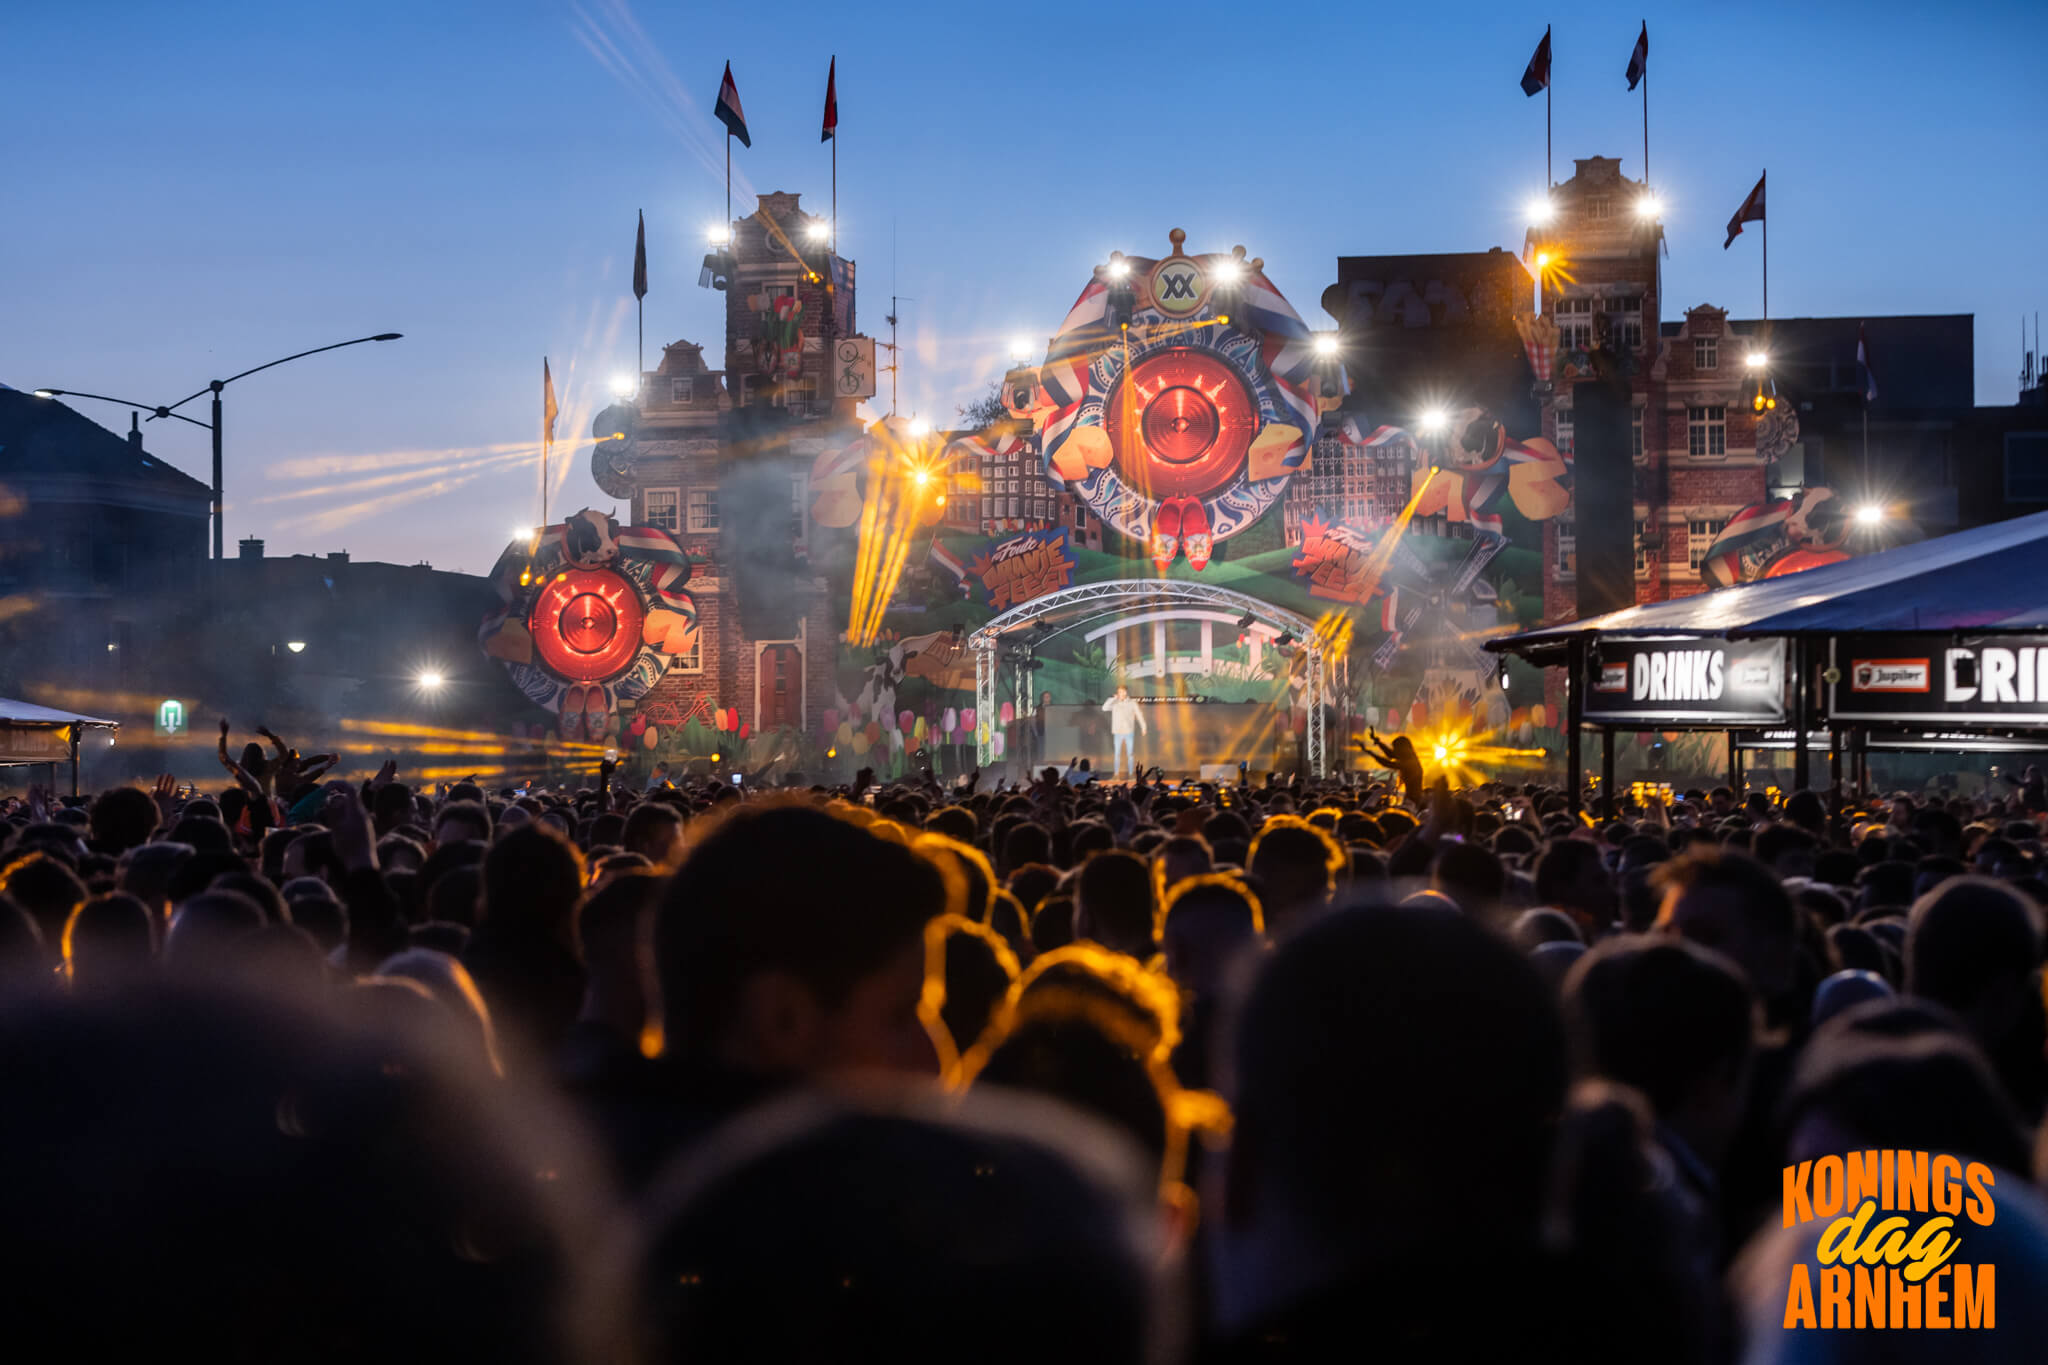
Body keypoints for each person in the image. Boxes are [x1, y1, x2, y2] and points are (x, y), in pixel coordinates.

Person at [1353, 728, 1425, 805]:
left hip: (1414, 799)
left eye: (1395, 749)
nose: (1394, 750)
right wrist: (1377, 742)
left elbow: (1388, 763)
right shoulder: (1409, 759)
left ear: (1402, 749)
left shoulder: (1411, 763)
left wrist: (1369, 752)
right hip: (1412, 797)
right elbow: (1390, 755)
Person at [1100, 684, 1146, 781]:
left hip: (1129, 731)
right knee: (1117, 754)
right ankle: (1116, 775)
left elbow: (1139, 714)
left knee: (1130, 754)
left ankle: (1131, 775)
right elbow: (1104, 708)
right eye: (1119, 692)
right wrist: (1112, 699)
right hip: (1118, 732)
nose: (1120, 693)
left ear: (1125, 692)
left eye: (1122, 691)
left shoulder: (1132, 703)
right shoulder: (1115, 703)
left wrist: (1143, 726)